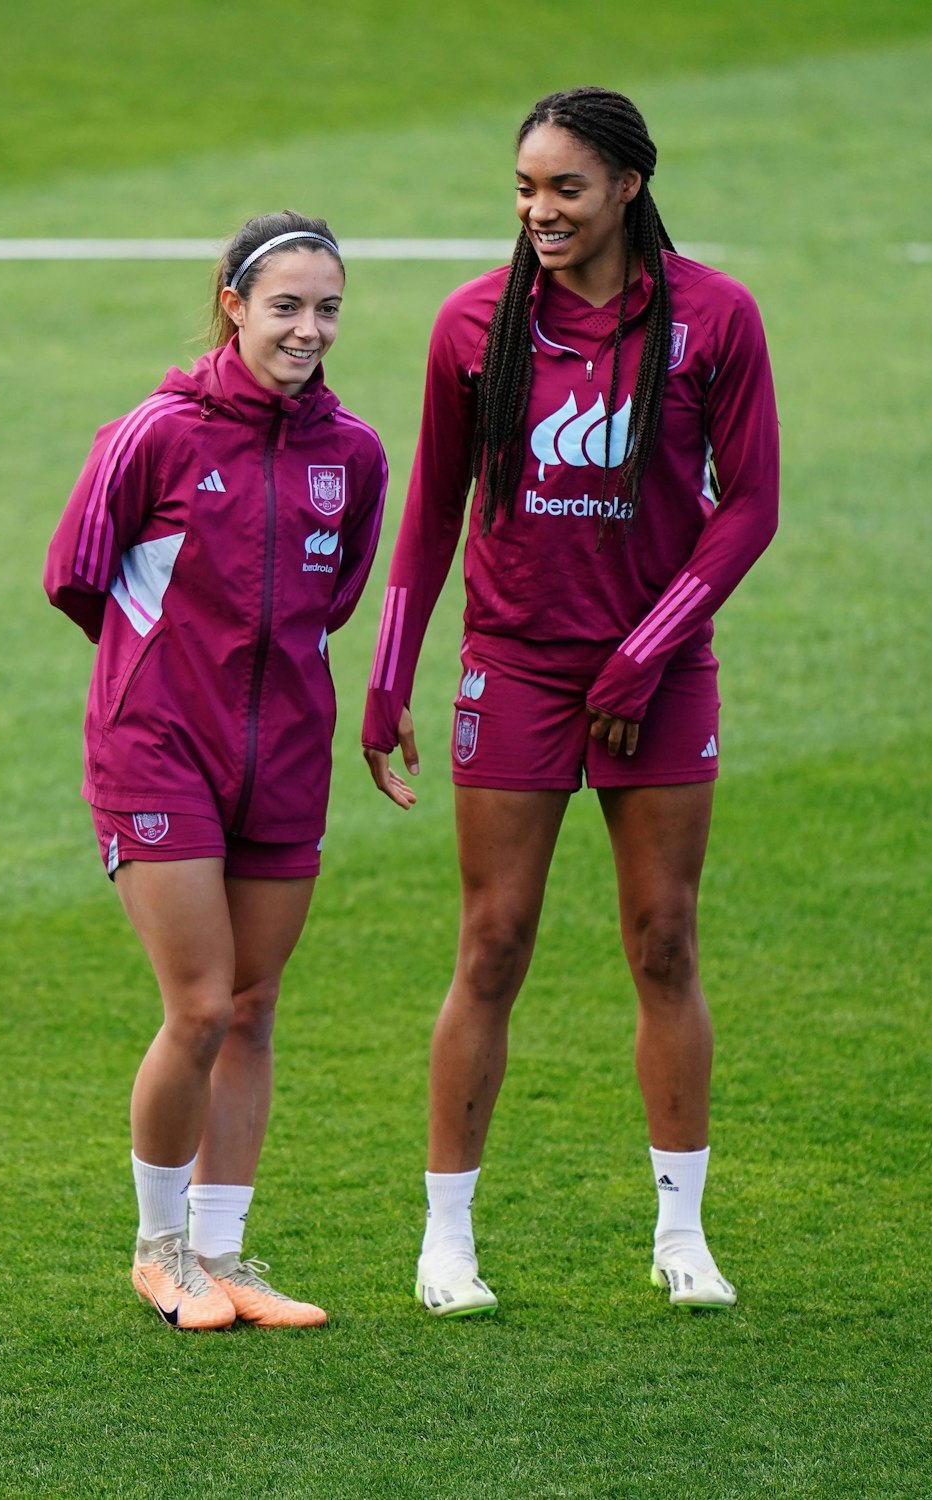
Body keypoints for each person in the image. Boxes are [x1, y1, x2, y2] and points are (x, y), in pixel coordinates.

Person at [362, 88, 780, 1316]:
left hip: (655, 673)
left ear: (628, 188)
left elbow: (748, 504)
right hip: (519, 669)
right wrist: (386, 680)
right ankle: (446, 1239)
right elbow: (434, 507)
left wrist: (646, 651)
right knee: (491, 945)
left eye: (565, 189)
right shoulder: (472, 327)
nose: (540, 212)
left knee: (663, 940)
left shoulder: (713, 319)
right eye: (525, 190)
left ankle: (682, 1236)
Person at [45, 212, 386, 1332]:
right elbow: (77, 578)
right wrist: (163, 687)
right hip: (159, 757)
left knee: (252, 1005)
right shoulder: (152, 435)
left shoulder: (356, 456)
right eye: (284, 305)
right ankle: (157, 1250)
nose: (307, 328)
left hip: (284, 762)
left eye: (325, 307)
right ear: (232, 306)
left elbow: (327, 607)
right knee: (195, 1006)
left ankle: (226, 1253)